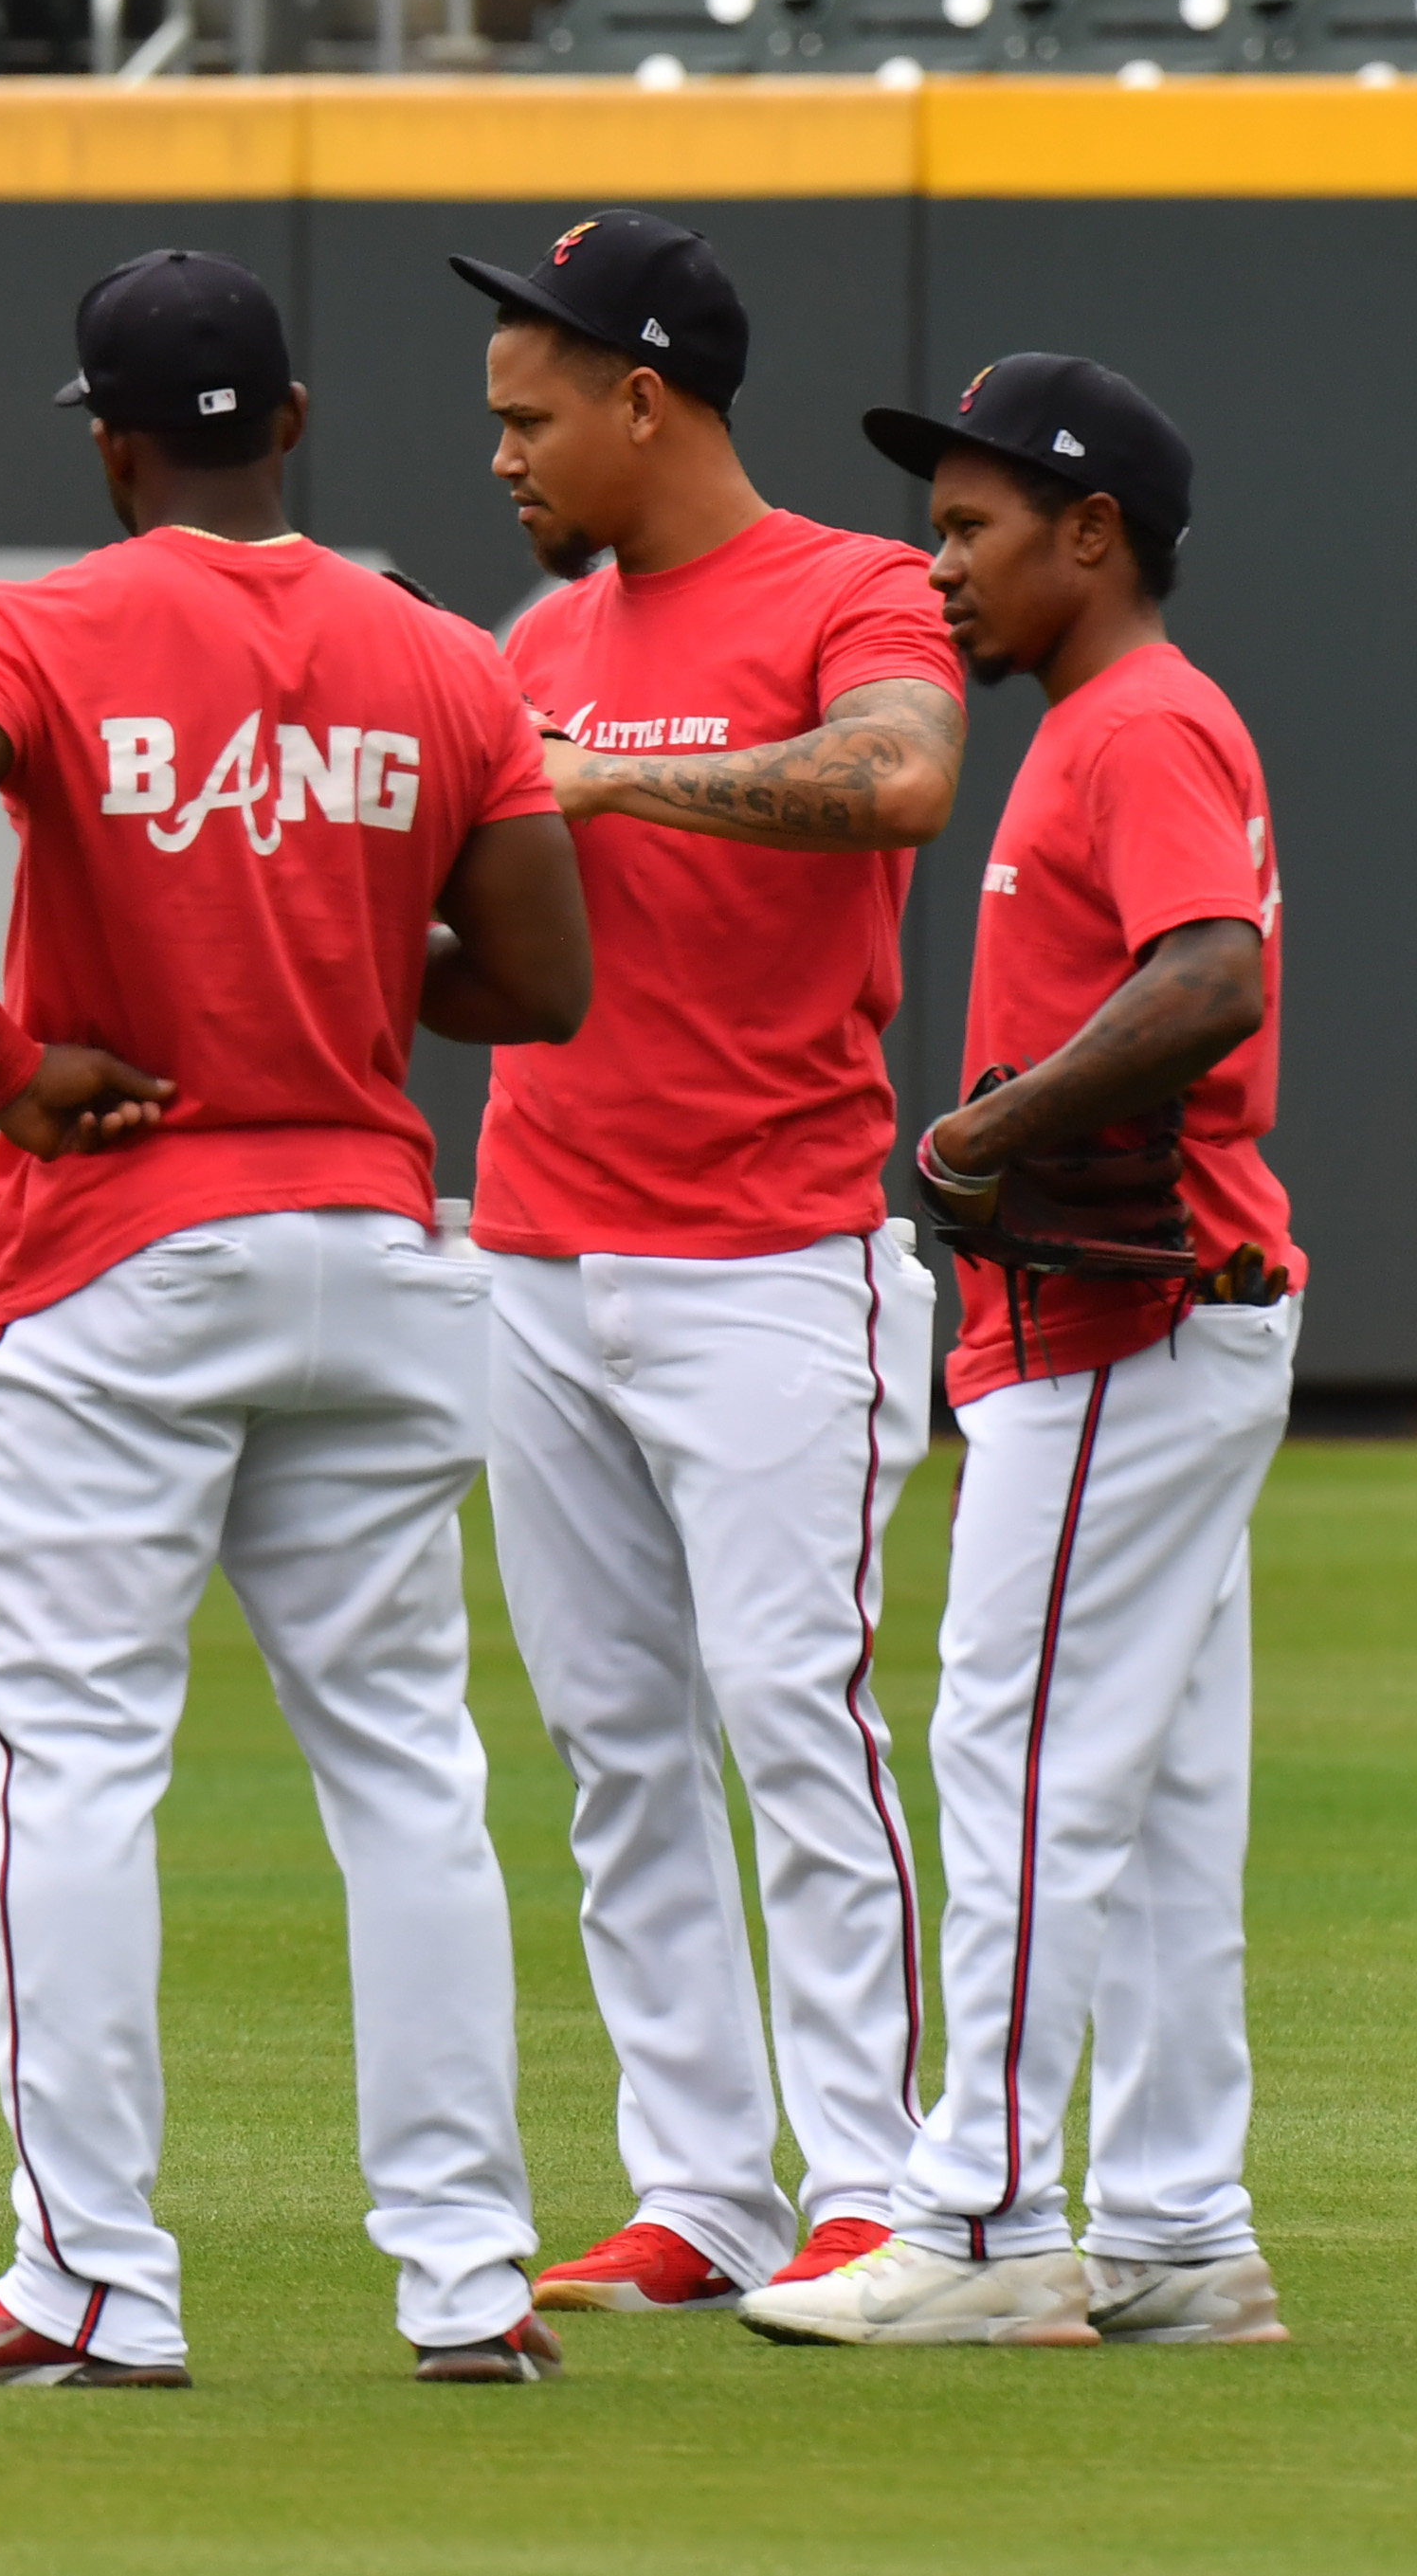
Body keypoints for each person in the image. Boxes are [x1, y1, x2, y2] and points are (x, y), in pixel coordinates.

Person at [0, 252, 595, 2390]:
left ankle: (94, 2280)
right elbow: (540, 979)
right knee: (411, 1775)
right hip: (372, 1239)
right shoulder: (437, 645)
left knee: (72, 1771)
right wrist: (340, 947)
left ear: (107, 438)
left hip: (125, 1258)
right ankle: (464, 2276)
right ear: (300, 417)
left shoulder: (44, 623)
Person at [749, 356, 1299, 2350]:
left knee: (1021, 1756)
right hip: (1156, 1321)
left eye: (975, 526)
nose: (939, 560)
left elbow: (1211, 975)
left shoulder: (1136, 720)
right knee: (1146, 1793)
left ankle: (977, 2222)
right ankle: (1173, 2223)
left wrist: (983, 1126)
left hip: (1124, 1325)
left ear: (1095, 533)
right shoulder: (1109, 721)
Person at [449, 211, 968, 2314]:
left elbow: (904, 772)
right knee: (610, 1732)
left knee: (789, 1707)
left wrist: (613, 783)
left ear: (644, 393)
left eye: (530, 408)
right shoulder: (529, 640)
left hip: (774, 1248)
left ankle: (873, 2176)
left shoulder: (849, 582)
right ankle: (700, 2181)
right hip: (538, 1244)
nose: (500, 448)